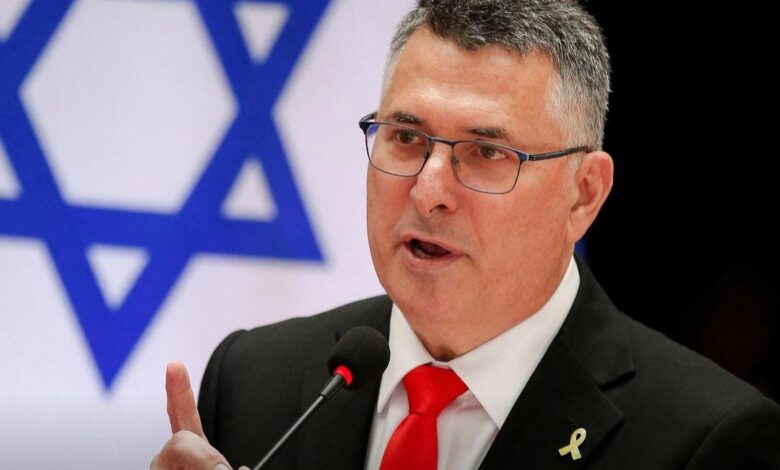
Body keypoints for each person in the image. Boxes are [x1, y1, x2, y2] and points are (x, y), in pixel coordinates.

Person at [150, 1, 780, 469]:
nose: (429, 190)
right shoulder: (253, 381)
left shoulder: (705, 440)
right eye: (406, 137)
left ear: (583, 193)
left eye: (485, 152)